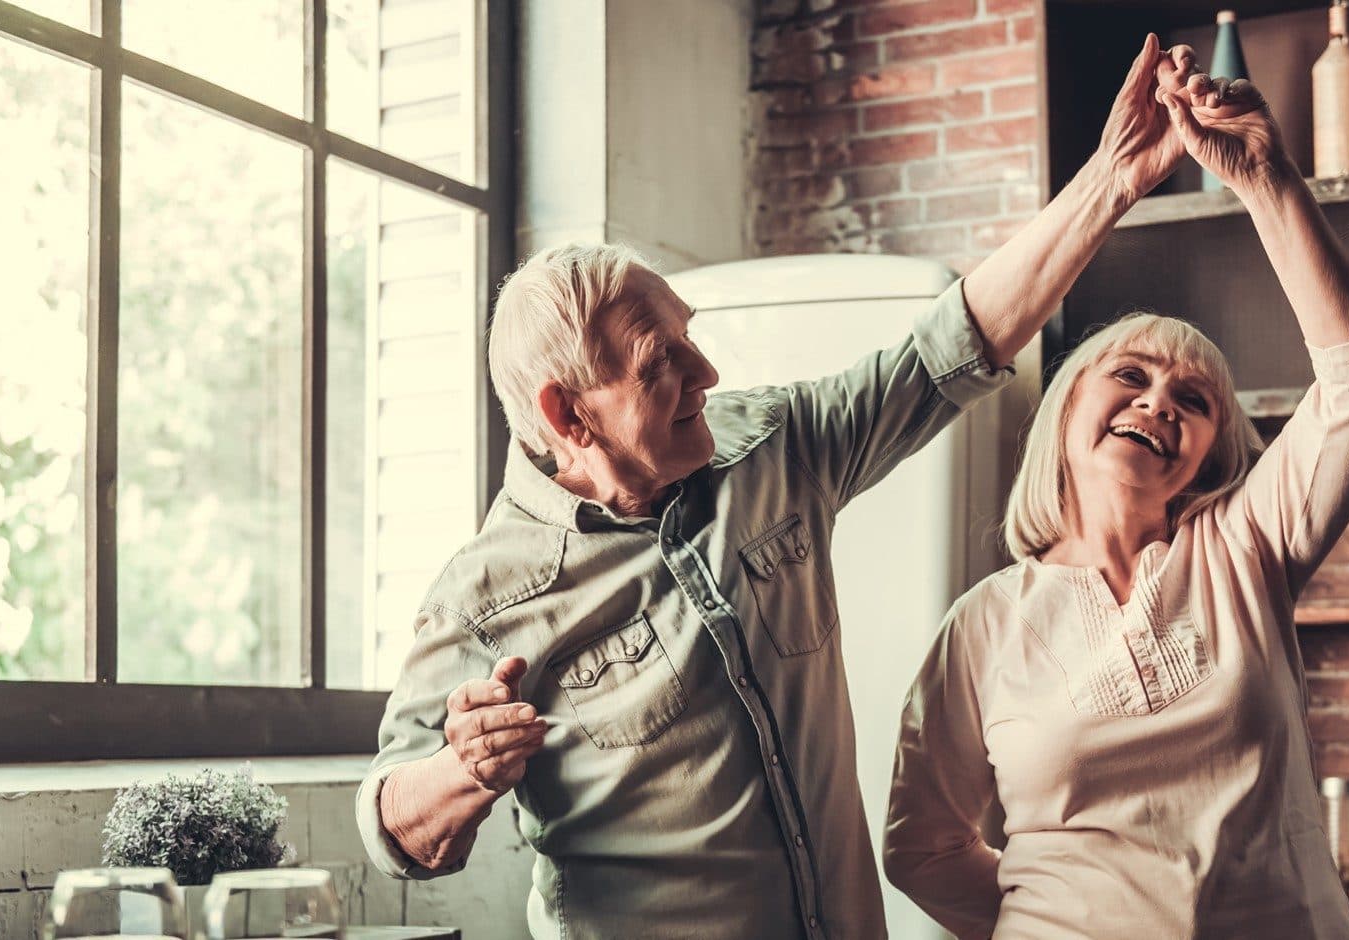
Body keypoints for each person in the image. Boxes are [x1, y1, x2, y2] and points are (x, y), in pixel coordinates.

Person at [358, 34, 1205, 940]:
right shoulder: (485, 598)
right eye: (663, 365)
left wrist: (1111, 180)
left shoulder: (771, 446)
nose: (708, 372)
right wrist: (464, 770)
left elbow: (951, 348)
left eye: (691, 337)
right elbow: (396, 834)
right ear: (569, 414)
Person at [882, 43, 1349, 940]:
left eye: (1193, 399)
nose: (1158, 401)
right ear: (1065, 409)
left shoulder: (1244, 546)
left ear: (1207, 454)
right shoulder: (984, 623)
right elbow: (920, 846)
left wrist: (1264, 177)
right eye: (1130, 376)